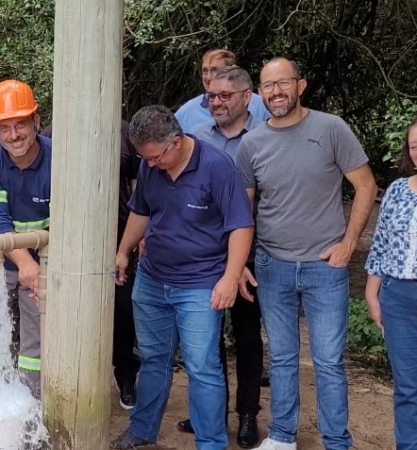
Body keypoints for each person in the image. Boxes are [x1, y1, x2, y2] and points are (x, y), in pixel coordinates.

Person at [235, 57, 378, 450]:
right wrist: (241, 265)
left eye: (283, 83)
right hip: (271, 265)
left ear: (301, 85)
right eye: (268, 86)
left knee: (329, 362)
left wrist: (349, 243)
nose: (275, 92)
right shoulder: (251, 143)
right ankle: (282, 436)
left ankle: (337, 441)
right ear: (259, 93)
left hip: (323, 267)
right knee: (281, 357)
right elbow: (243, 211)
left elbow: (366, 186)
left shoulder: (331, 128)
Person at [111, 105, 254, 450]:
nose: (151, 164)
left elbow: (241, 225)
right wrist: (122, 250)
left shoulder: (217, 167)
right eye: (147, 159)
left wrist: (230, 276)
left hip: (201, 283)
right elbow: (141, 212)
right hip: (152, 278)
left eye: (156, 157)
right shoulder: (150, 165)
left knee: (202, 365)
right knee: (153, 357)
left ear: (176, 142)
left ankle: (210, 442)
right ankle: (142, 428)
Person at [175, 65, 265, 448]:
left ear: (247, 98)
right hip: (203, 258)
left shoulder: (262, 140)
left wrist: (239, 262)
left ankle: (247, 416)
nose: (216, 103)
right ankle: (208, 415)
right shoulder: (195, 138)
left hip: (249, 253)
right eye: (211, 96)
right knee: (204, 342)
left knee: (245, 336)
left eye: (225, 96)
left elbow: (259, 202)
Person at [39, 121, 141, 410]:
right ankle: (72, 381)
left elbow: (137, 183)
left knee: (122, 310)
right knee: (71, 309)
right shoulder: (51, 134)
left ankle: (125, 378)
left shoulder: (123, 132)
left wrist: (137, 235)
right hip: (68, 240)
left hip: (117, 236)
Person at [0, 79, 50, 398]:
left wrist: (39, 264)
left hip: (44, 255)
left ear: (36, 121)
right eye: (4, 128)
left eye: (20, 125)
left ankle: (31, 400)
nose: (13, 135)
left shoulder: (59, 159)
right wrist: (26, 263)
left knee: (37, 330)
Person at [365, 117, 417, 450]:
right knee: (407, 387)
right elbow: (381, 243)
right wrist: (372, 292)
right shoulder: (398, 190)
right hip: (398, 296)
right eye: (414, 146)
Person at [175, 49, 269, 133]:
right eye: (205, 71)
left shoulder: (260, 105)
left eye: (215, 70)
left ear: (232, 71)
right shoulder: (187, 112)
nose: (208, 77)